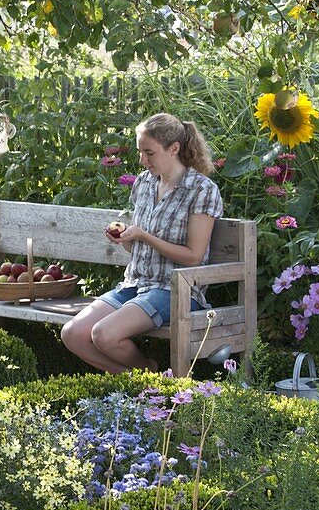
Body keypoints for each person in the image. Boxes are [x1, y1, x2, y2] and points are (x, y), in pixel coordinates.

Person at [61, 113, 223, 375]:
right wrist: (125, 239)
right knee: (73, 334)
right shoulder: (145, 183)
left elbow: (194, 256)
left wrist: (145, 236)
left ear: (174, 149)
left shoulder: (201, 189)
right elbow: (136, 248)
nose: (142, 160)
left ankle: (147, 378)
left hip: (174, 290)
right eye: (140, 152)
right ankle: (145, 379)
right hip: (136, 283)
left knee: (104, 335)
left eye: (149, 152)